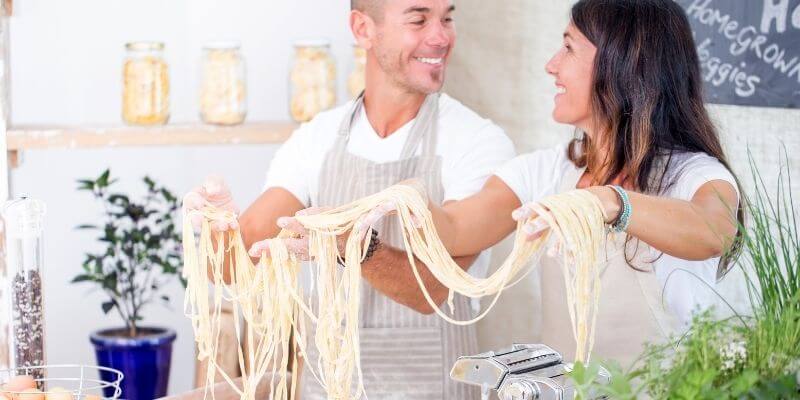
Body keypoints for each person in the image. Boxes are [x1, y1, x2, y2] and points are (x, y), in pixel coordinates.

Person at [317, 0, 744, 367]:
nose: (551, 65)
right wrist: (410, 200)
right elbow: (457, 229)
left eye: (569, 48)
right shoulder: (547, 171)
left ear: (622, 66)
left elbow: (715, 230)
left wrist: (611, 202)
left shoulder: (694, 175)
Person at [184, 0, 515, 398]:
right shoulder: (317, 139)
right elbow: (234, 262)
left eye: (447, 18)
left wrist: (353, 246)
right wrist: (219, 226)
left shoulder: (477, 142)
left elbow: (432, 290)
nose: (440, 36)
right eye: (419, 19)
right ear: (362, 29)